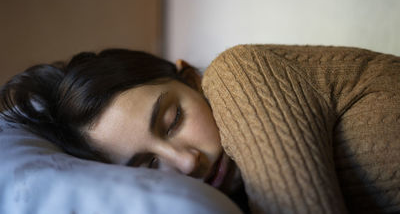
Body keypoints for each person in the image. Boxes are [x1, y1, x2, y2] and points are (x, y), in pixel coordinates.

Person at [1, 44, 400, 214]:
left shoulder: (239, 73)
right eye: (146, 165)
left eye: (173, 120)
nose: (188, 162)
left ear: (191, 78)